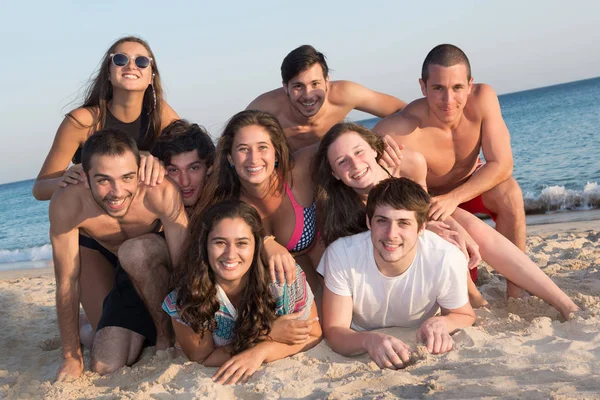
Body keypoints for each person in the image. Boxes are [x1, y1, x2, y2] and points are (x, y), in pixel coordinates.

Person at [313, 122, 578, 318]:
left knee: (463, 222)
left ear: (374, 148)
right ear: (335, 173)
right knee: (435, 230)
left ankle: (563, 303)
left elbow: (423, 209)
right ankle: (473, 299)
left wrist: (457, 230)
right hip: (381, 267)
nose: (355, 165)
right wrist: (431, 232)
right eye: (342, 162)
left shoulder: (410, 164)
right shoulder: (332, 202)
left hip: (422, 247)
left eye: (359, 152)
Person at [373, 44, 527, 297]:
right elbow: (351, 155)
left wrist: (454, 198)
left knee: (509, 192)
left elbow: (502, 164)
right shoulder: (401, 128)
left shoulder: (483, 99)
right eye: (438, 89)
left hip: (465, 190)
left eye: (457, 88)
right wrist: (376, 148)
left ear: (470, 84)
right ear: (423, 87)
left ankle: (517, 291)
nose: (448, 101)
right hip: (432, 204)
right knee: (468, 284)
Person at [49, 129, 188, 381]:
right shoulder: (67, 202)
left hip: (149, 262)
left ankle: (163, 335)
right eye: (103, 180)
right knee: (105, 363)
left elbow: (181, 265)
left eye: (127, 177)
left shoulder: (159, 190)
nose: (117, 191)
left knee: (135, 252)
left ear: (138, 172)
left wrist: (182, 336)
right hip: (105, 261)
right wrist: (71, 356)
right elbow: (67, 282)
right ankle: (89, 324)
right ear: (85, 177)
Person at [319, 178, 475, 369]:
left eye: (403, 223)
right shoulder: (342, 253)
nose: (391, 234)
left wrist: (443, 323)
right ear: (369, 221)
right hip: (361, 331)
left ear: (422, 227)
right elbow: (335, 331)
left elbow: (463, 314)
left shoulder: (445, 257)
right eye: (382, 221)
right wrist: (369, 341)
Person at [163, 200, 321, 385]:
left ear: (257, 246)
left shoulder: (282, 278)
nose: (230, 254)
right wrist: (266, 333)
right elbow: (203, 359)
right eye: (220, 242)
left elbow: (313, 335)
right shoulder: (186, 296)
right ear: (204, 246)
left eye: (242, 243)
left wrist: (262, 352)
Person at [34, 35, 179, 200]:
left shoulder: (159, 113)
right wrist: (65, 180)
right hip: (95, 218)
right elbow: (39, 189)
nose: (131, 66)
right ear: (108, 73)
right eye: (120, 59)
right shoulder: (83, 122)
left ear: (151, 76)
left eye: (142, 62)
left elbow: (192, 151)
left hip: (146, 217)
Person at [195, 110, 324, 291]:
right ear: (230, 158)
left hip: (327, 277)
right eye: (243, 149)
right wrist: (263, 242)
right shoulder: (226, 204)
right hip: (276, 293)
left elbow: (345, 140)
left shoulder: (300, 170)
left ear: (276, 153)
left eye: (262, 147)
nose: (253, 159)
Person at [247, 45, 406, 151]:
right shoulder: (266, 107)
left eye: (315, 84)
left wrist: (379, 138)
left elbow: (404, 111)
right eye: (298, 86)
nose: (308, 95)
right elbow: (231, 142)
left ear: (327, 81)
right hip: (294, 175)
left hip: (338, 167)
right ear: (285, 87)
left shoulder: (346, 93)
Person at [151, 119, 216, 210]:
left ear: (209, 168)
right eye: (174, 170)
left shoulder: (226, 210)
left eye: (193, 168)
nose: (185, 182)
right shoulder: (149, 213)